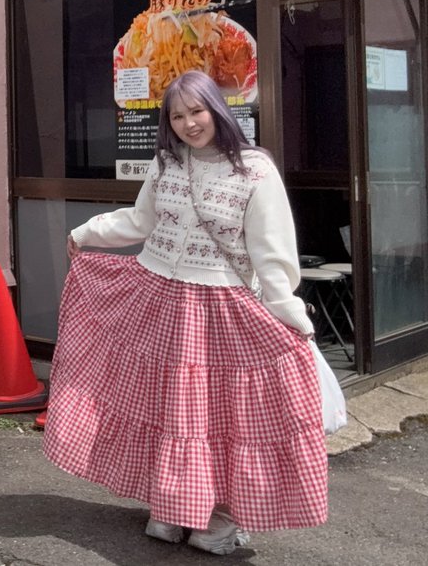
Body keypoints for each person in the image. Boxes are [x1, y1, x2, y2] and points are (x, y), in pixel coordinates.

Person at [43, 69, 327, 555]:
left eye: (196, 111)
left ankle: (215, 517)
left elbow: (272, 254)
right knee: (163, 406)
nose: (189, 123)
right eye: (177, 115)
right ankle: (172, 506)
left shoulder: (254, 170)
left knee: (215, 415)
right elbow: (139, 220)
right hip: (157, 296)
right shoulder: (167, 163)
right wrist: (86, 232)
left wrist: (289, 314)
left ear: (217, 108)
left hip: (219, 306)